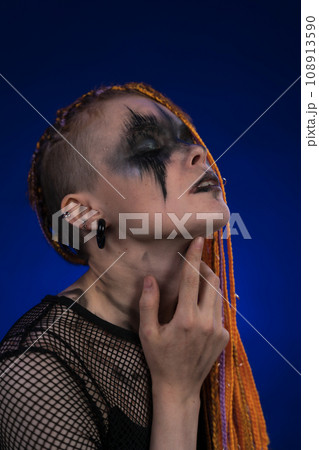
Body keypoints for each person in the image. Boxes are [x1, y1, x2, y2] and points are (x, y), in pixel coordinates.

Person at [0, 82, 269, 449]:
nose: (197, 152)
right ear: (82, 214)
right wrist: (178, 392)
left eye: (187, 139)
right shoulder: (33, 371)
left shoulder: (200, 326)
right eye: (148, 148)